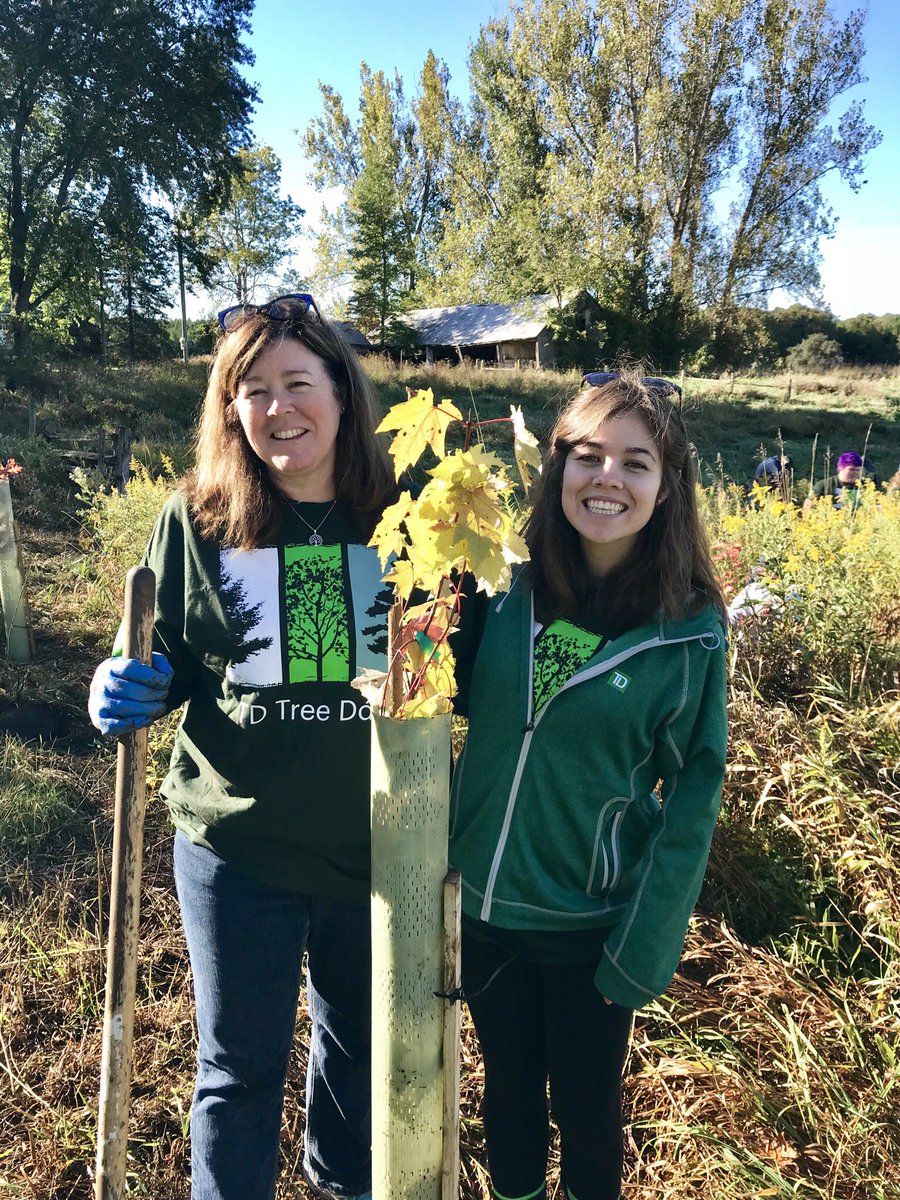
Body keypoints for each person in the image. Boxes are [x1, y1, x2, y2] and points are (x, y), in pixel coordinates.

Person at [88, 294, 400, 1200]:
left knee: (361, 1058)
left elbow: (467, 655)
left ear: (341, 392)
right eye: (252, 390)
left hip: (379, 845)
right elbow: (170, 654)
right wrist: (126, 680)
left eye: (297, 382)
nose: (277, 407)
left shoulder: (407, 515)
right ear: (230, 408)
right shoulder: (199, 515)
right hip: (236, 847)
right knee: (237, 1069)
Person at [449, 374, 728, 1200]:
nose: (608, 478)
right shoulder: (502, 584)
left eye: (636, 463)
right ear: (557, 466)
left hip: (592, 930)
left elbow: (694, 800)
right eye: (588, 456)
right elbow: (427, 684)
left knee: (586, 1106)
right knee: (507, 1094)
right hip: (484, 912)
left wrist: (645, 947)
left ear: (667, 485)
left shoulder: (685, 632)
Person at [805, 451, 871, 510]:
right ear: (840, 467)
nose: (855, 473)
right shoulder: (824, 485)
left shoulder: (866, 485)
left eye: (858, 470)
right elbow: (807, 509)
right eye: (851, 469)